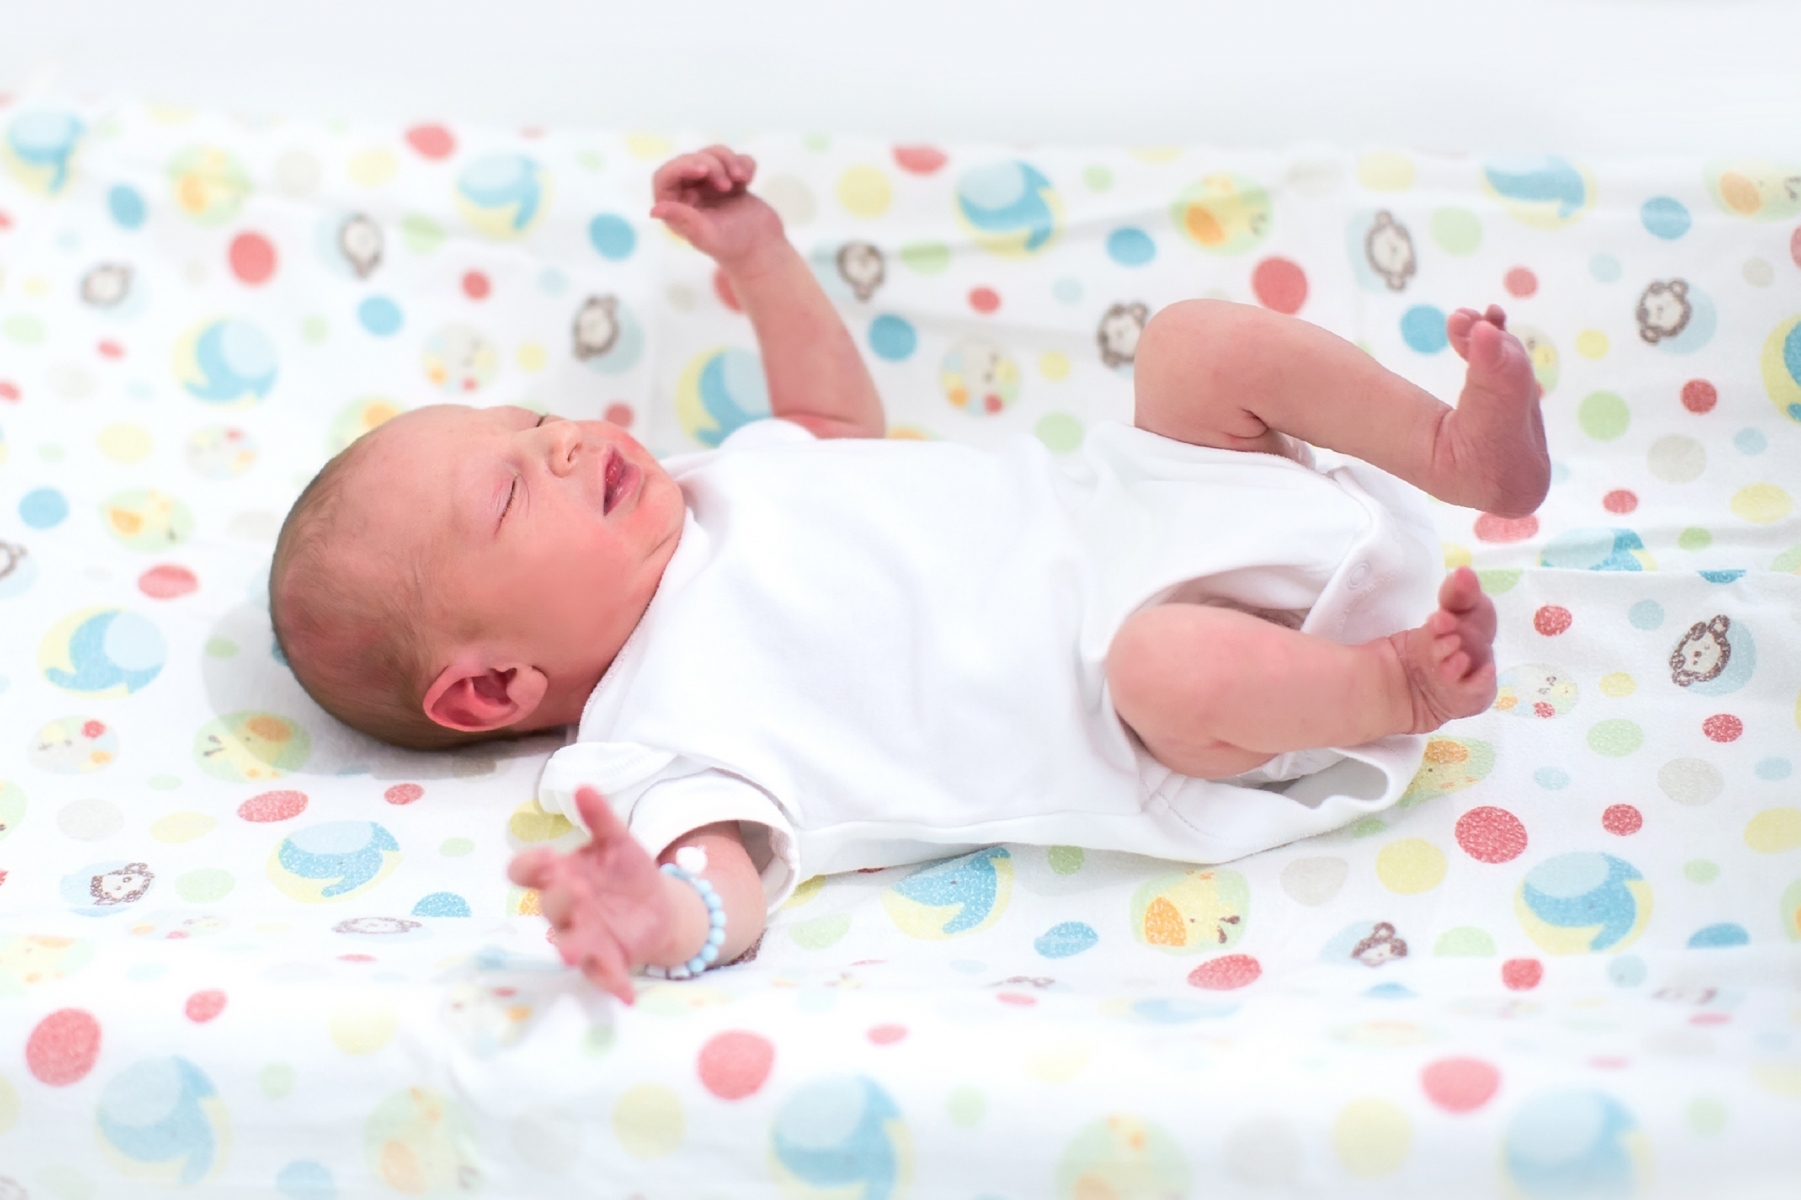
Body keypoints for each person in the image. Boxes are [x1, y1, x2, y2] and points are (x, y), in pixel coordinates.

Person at [269, 146, 1549, 1003]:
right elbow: (725, 885)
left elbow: (833, 421)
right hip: (1177, 695)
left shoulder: (718, 481)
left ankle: (1454, 451)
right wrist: (659, 919)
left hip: (1166, 505)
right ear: (490, 688)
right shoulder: (650, 740)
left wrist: (758, 261)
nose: (556, 442)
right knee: (1163, 664)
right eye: (508, 491)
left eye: (527, 421)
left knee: (1192, 344)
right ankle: (1400, 683)